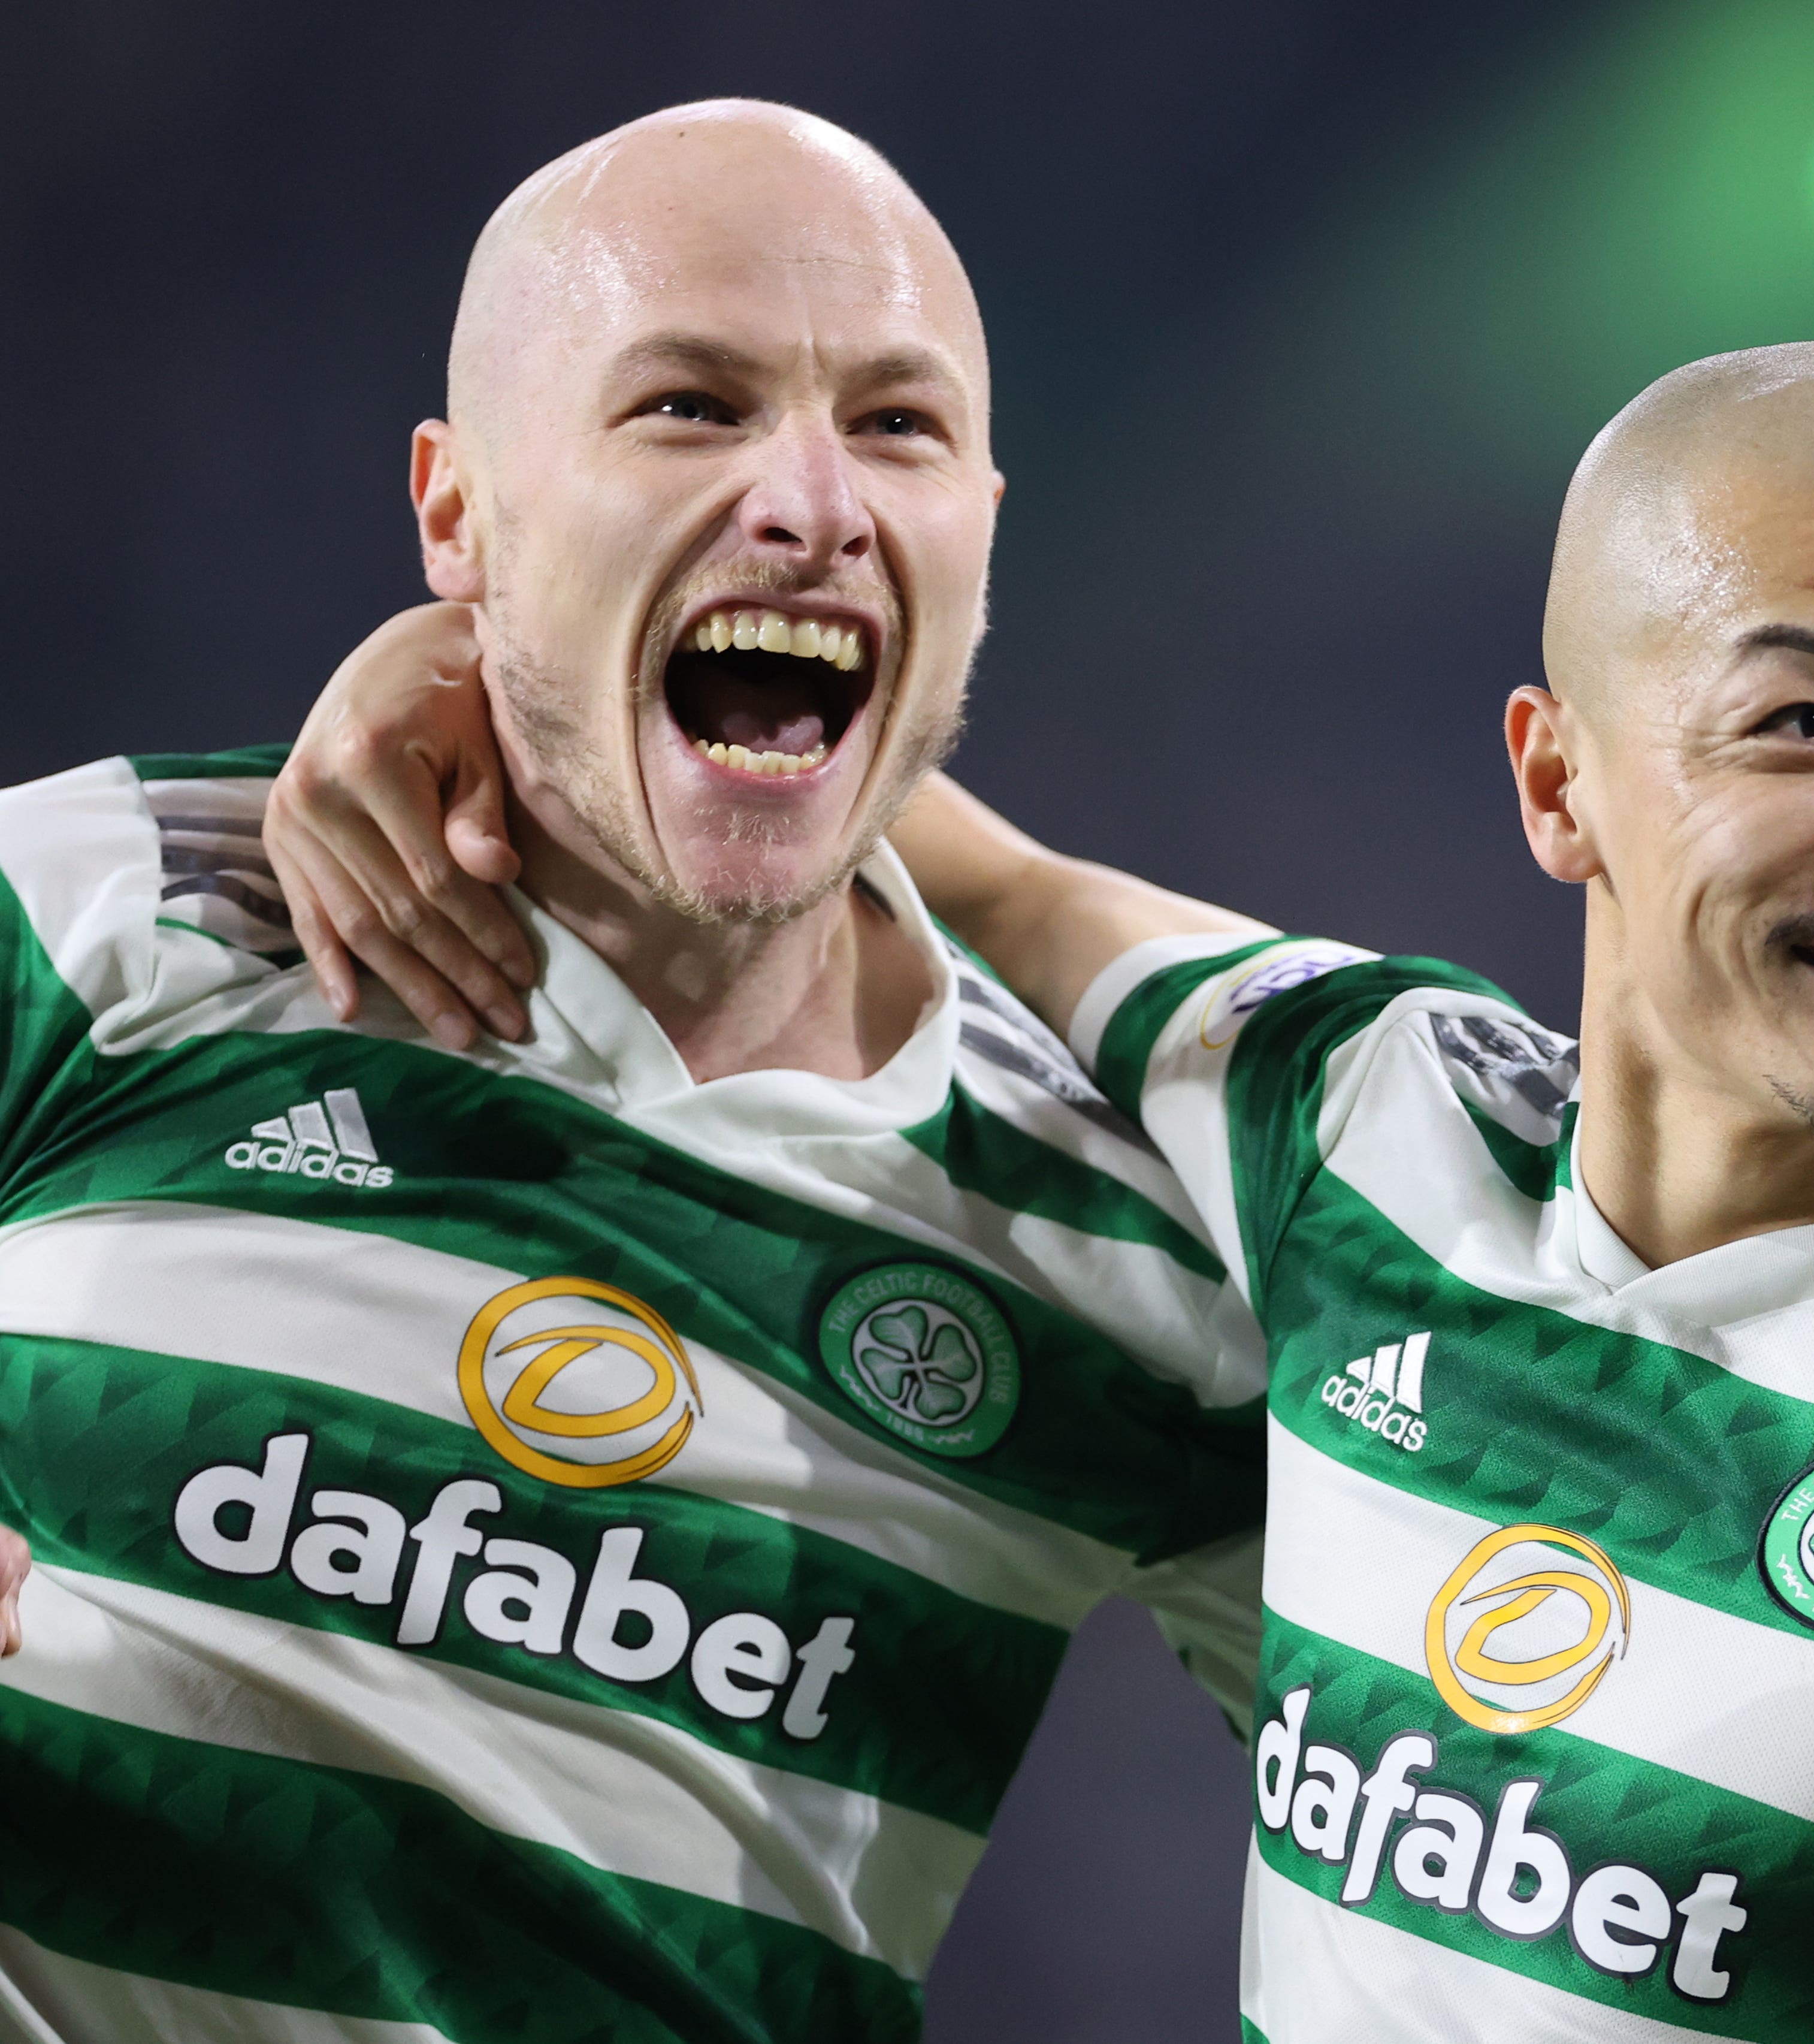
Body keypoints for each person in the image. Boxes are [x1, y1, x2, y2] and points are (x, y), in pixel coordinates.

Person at [272, 346, 1814, 2040]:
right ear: (1560, 782)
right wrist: (454, 659)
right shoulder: (1360, 1113)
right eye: (1805, 722)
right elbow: (878, 800)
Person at [0, 101, 1272, 2041]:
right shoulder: (107, 911)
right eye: (690, 405)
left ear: (983, 529)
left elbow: (1522, 1807)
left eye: (900, 426)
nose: (813, 501)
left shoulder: (1124, 1234)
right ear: (461, 516)